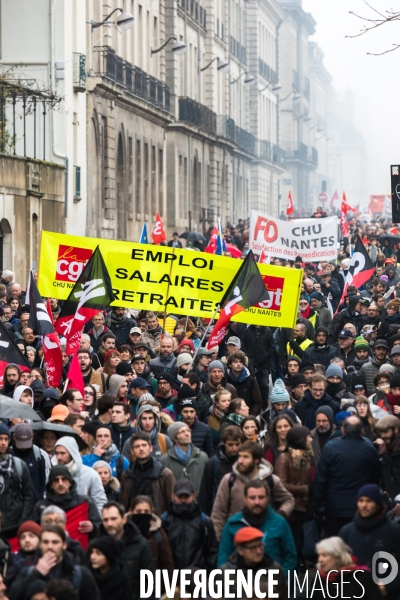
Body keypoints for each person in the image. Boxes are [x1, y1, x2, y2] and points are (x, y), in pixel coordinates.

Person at [211, 441, 294, 540]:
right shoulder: (229, 480)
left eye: (245, 457)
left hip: (265, 538)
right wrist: (218, 540)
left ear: (256, 460)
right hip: (235, 538)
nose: (240, 461)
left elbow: (289, 500)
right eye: (239, 456)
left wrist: (280, 514)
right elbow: (218, 514)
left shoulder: (270, 480)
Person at [313, 415, 381, 537]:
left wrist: (319, 506)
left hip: (335, 508)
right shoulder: (369, 449)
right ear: (361, 431)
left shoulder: (331, 448)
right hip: (361, 509)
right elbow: (376, 478)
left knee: (336, 550)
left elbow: (321, 479)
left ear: (343, 430)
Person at [218, 479, 297, 573]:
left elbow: (290, 557)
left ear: (268, 498)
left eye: (261, 497)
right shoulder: (232, 524)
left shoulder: (280, 523)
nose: (257, 502)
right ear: (245, 498)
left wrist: (281, 582)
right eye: (252, 498)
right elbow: (223, 557)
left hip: (272, 581)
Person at [339, 484, 400, 600]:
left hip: (385, 593)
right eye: (361, 501)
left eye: (369, 501)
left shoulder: (393, 531)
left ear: (377, 505)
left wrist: (388, 586)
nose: (364, 505)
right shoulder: (346, 531)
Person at [8, 525, 99, 600]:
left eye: (55, 542)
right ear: (40, 545)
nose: (50, 546)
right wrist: (36, 574)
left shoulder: (80, 574)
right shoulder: (28, 572)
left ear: (64, 545)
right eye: (45, 542)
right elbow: (12, 597)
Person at [274, 426, 315, 562]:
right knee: (291, 550)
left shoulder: (307, 457)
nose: (311, 439)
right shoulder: (284, 459)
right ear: (300, 439)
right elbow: (281, 485)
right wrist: (307, 489)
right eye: (308, 436)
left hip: (305, 511)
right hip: (291, 512)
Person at [99, 501, 155, 600]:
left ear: (124, 519)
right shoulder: (96, 546)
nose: (109, 524)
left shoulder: (140, 545)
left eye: (113, 519)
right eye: (105, 520)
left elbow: (149, 585)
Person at [161, 479, 218, 571]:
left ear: (194, 496)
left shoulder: (204, 522)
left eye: (186, 496)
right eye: (180, 496)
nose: (183, 500)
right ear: (173, 496)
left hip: (197, 577)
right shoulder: (164, 520)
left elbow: (212, 552)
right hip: (171, 577)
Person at [218, 526, 287, 598]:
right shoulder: (225, 572)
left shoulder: (275, 570)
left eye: (260, 546)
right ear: (240, 550)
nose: (259, 551)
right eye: (253, 548)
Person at [32, 465, 101, 534]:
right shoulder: (40, 507)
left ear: (70, 482)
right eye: (56, 480)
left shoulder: (84, 502)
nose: (60, 483)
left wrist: (93, 527)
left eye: (64, 479)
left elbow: (99, 526)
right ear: (51, 485)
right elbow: (33, 531)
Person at [306, 536, 379, 600]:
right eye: (319, 555)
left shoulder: (362, 576)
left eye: (324, 555)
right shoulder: (318, 580)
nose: (320, 560)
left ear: (337, 557)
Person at [120, 433, 175, 515]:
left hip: (157, 522)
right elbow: (123, 503)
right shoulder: (127, 475)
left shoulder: (164, 474)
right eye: (137, 446)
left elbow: (172, 503)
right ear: (132, 451)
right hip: (132, 523)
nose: (141, 449)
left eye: (144, 445)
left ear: (151, 448)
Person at [51, 437, 107, 514]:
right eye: (56, 453)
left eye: (62, 453)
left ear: (72, 453)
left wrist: (94, 522)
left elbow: (100, 502)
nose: (58, 457)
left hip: (84, 521)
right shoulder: (52, 474)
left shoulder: (91, 475)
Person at [198, 426, 243, 515]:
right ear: (223, 443)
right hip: (219, 513)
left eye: (237, 444)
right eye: (230, 444)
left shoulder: (245, 462)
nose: (234, 448)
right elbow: (205, 494)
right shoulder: (213, 464)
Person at [128, 495, 174, 581]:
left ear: (151, 512)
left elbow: (167, 565)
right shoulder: (123, 532)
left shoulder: (159, 534)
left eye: (146, 511)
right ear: (131, 511)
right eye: (138, 511)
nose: (142, 514)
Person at [0, 423, 33, 531]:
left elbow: (28, 496)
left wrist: (21, 522)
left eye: (6, 439)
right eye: (0, 439)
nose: (3, 443)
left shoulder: (19, 465)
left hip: (14, 523)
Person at [159, 423, 208, 494]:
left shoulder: (202, 457)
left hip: (198, 503)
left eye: (188, 431)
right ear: (175, 438)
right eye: (182, 432)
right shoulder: (164, 460)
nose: (187, 434)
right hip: (175, 503)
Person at [9, 423, 47, 503]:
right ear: (14, 437)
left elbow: (46, 482)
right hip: (14, 506)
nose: (23, 447)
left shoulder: (40, 455)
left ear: (32, 437)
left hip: (36, 504)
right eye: (21, 442)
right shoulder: (8, 455)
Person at [87, 536, 131, 600]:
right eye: (92, 552)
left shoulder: (121, 578)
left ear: (109, 556)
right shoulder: (87, 575)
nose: (92, 557)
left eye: (98, 553)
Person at [240, 325, 273, 407]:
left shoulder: (268, 331)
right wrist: (248, 357)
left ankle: (264, 406)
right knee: (251, 385)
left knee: (264, 385)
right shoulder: (247, 331)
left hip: (263, 364)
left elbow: (272, 347)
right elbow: (243, 346)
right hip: (251, 364)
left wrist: (266, 356)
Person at [4, 521, 42, 587]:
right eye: (23, 537)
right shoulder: (12, 567)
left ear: (40, 539)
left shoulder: (47, 562)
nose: (27, 540)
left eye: (31, 536)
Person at [226, 351, 262, 415]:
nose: (238, 364)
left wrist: (250, 417)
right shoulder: (225, 381)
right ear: (230, 364)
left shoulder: (251, 381)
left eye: (240, 362)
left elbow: (258, 403)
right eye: (235, 362)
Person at [375, 415, 400, 499]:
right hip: (389, 504)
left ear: (396, 430)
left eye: (385, 431)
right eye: (381, 432)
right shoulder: (383, 452)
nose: (382, 436)